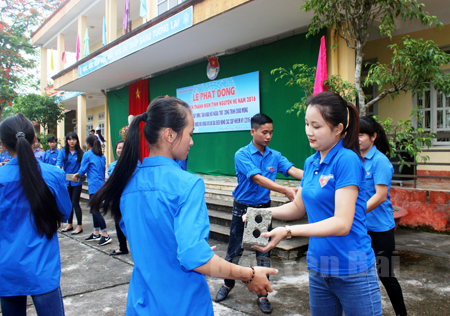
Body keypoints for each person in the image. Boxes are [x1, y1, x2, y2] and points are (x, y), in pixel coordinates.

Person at [90, 96, 278, 316]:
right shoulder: (187, 185)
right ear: (170, 135)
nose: (191, 141)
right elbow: (194, 258)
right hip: (182, 305)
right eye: (189, 133)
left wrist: (185, 248)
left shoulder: (128, 182)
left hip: (142, 304)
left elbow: (147, 241)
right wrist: (249, 274)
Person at [252, 92, 382, 316]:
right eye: (306, 124)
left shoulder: (347, 160)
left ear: (338, 128)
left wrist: (288, 231)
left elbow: (342, 223)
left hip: (353, 268)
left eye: (316, 126)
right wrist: (261, 214)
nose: (309, 132)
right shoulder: (311, 161)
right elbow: (298, 207)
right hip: (319, 267)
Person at [215, 113, 303, 314]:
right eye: (264, 132)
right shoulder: (242, 154)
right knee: (234, 251)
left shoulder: (275, 156)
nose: (268, 136)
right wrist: (285, 190)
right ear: (252, 131)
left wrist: (316, 177)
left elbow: (293, 170)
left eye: (271, 132)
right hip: (242, 208)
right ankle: (228, 284)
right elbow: (257, 178)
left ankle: (262, 294)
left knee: (262, 251)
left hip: (263, 209)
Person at [0, 114, 72, 316]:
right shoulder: (53, 175)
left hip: (7, 268)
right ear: (34, 140)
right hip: (42, 268)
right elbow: (64, 213)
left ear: (3, 144)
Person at [360, 116, 407, 316]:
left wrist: (353, 213)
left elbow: (379, 196)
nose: (357, 139)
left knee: (385, 275)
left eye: (361, 134)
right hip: (360, 227)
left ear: (373, 137)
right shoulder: (353, 159)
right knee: (360, 275)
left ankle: (401, 313)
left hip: (379, 229)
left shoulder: (380, 162)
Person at [72, 135, 111, 246]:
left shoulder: (87, 154)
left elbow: (82, 170)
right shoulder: (101, 156)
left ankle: (105, 234)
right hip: (101, 185)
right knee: (94, 208)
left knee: (95, 210)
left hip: (94, 186)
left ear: (88, 144)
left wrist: (75, 176)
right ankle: (96, 232)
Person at [57, 132, 84, 235]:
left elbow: (83, 167)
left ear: (77, 140)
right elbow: (59, 164)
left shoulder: (81, 152)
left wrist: (78, 176)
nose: (72, 141)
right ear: (66, 141)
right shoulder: (63, 152)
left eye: (74, 139)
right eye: (69, 139)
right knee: (68, 203)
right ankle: (69, 223)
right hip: (67, 180)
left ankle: (79, 226)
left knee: (75, 202)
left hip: (77, 181)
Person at [107, 140, 129, 255]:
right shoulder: (112, 165)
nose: (120, 150)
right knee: (118, 222)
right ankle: (122, 247)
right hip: (117, 197)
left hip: (129, 198)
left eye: (123, 147)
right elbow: (112, 180)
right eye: (118, 148)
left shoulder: (133, 163)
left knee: (130, 222)